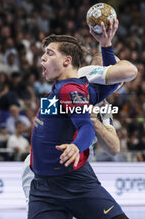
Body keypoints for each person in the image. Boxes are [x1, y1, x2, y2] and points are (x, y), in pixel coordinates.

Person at [27, 19, 136, 219]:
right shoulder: (72, 89)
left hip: (70, 177)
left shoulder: (72, 87)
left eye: (49, 54)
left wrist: (76, 145)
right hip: (42, 183)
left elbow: (86, 126)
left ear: (67, 61)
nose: (42, 58)